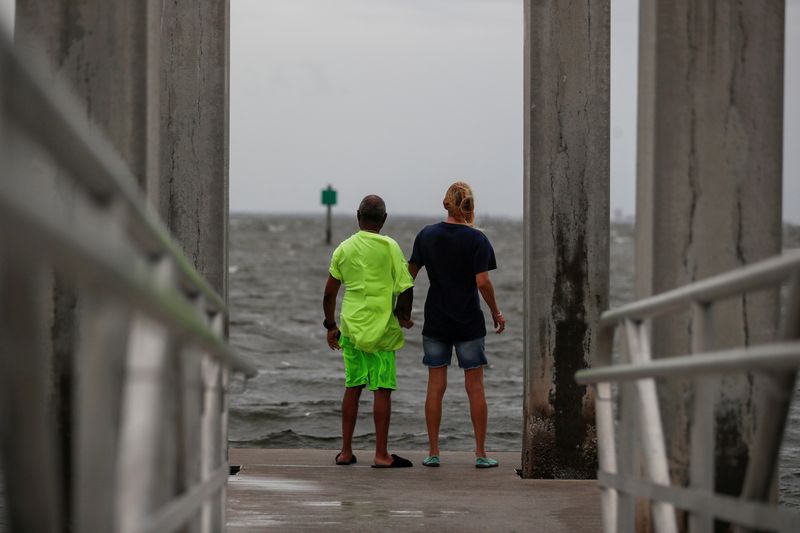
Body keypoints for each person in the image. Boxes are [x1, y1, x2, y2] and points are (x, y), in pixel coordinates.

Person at [408, 181, 506, 469]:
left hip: (436, 319)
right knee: (475, 387)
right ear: (471, 207)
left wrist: (400, 311)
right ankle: (480, 452)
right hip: (468, 322)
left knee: (435, 386)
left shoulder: (426, 235)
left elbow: (408, 275)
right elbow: (482, 282)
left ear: (445, 203)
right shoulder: (477, 240)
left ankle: (433, 451)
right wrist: (496, 312)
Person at [322, 195, 415, 468]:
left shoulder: (344, 248)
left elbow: (329, 293)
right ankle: (381, 454)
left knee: (353, 386)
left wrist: (330, 326)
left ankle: (346, 451)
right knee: (382, 389)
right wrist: (402, 316)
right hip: (383, 328)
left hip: (351, 326)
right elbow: (406, 286)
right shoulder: (390, 247)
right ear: (384, 220)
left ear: (357, 216)